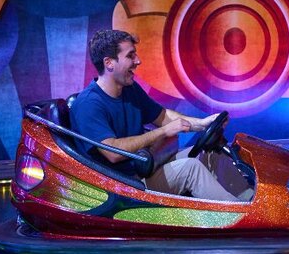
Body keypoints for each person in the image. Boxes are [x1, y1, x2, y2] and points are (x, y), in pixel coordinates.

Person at [70, 29, 251, 201]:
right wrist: (163, 132)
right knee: (190, 168)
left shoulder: (130, 89)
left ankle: (249, 201)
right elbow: (113, 153)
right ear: (109, 63)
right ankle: (247, 220)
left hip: (144, 169)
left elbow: (163, 116)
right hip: (123, 185)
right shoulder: (89, 104)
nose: (138, 61)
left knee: (210, 153)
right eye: (130, 55)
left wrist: (202, 124)